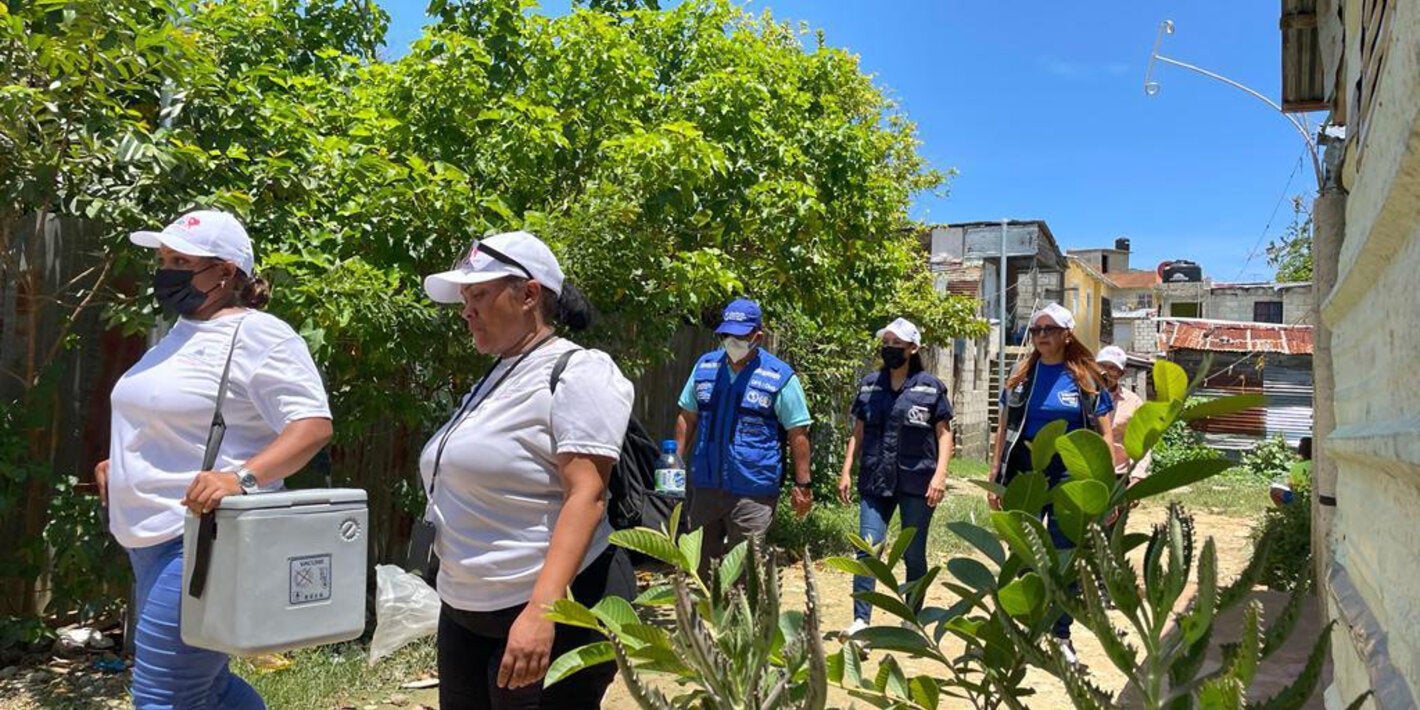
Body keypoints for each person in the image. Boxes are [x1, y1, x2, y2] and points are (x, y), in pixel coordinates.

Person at [96, 210, 333, 710]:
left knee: (163, 695)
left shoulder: (260, 335)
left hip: (206, 541)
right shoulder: (178, 332)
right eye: (163, 259)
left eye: (181, 260)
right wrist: (120, 467)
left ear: (225, 273)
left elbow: (312, 426)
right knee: (210, 690)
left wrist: (240, 477)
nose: (166, 271)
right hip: (149, 537)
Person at [420, 230, 636, 709]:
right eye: (464, 299)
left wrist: (543, 612)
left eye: (478, 294)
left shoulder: (578, 372)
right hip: (467, 609)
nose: (466, 311)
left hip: (548, 606)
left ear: (529, 295)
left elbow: (588, 494)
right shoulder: (498, 374)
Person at [988, 303, 1115, 665]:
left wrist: (1106, 484)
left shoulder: (1087, 379)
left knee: (1063, 555)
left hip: (1070, 472)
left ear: (1066, 334)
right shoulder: (1021, 376)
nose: (1041, 336)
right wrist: (996, 472)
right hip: (1026, 470)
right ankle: (1025, 631)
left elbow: (1104, 437)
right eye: (1036, 330)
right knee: (1024, 550)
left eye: (1049, 329)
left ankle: (1061, 635)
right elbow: (1004, 428)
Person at [674, 298, 813, 570]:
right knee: (703, 570)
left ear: (757, 336)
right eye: (726, 335)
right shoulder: (705, 367)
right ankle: (710, 615)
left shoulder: (779, 376)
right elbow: (687, 415)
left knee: (745, 571)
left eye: (739, 336)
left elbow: (798, 432)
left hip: (753, 492)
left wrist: (803, 484)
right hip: (705, 487)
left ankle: (746, 614)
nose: (731, 341)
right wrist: (676, 460)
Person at [837, 318, 954, 638]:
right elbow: (858, 431)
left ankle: (913, 616)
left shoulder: (930, 387)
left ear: (913, 349)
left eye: (896, 345)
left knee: (913, 552)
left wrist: (940, 476)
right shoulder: (870, 385)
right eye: (885, 344)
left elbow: (944, 436)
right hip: (875, 479)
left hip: (918, 481)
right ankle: (861, 619)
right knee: (868, 548)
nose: (889, 349)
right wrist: (847, 468)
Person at [1096, 345, 1151, 481]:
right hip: (1084, 470)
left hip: (1118, 474)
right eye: (1102, 366)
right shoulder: (1082, 396)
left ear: (1122, 373)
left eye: (1112, 368)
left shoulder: (1133, 403)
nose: (1105, 372)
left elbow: (1141, 442)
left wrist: (1137, 476)